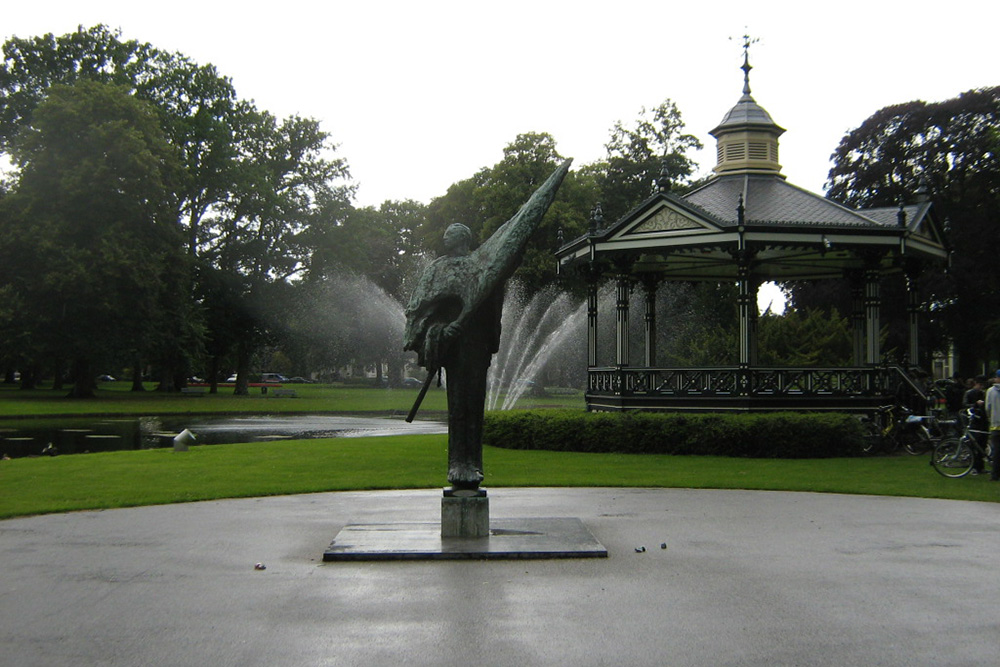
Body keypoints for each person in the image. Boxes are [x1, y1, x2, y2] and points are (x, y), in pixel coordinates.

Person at [403, 160, 571, 491]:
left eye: (452, 232)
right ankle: (457, 463)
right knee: (459, 409)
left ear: (462, 239)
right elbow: (419, 315)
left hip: (476, 345)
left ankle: (472, 463)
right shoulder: (437, 270)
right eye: (447, 232)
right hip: (454, 347)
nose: (446, 235)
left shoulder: (483, 264)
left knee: (474, 406)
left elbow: (506, 260)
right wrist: (440, 331)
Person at [983, 370, 1000, 481]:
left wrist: (990, 418)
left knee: (997, 451)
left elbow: (987, 408)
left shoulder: (990, 391)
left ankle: (995, 474)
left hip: (995, 425)